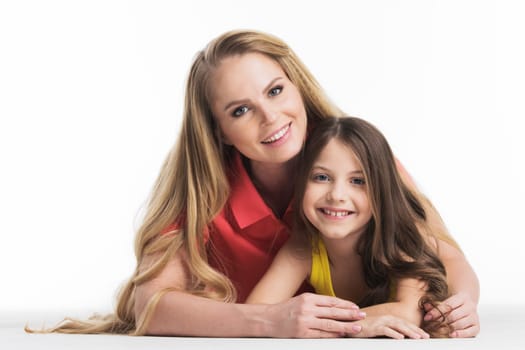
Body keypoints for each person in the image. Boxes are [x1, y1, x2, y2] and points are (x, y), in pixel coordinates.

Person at [27, 29, 479, 338]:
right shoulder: (206, 195)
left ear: (298, 87)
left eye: (276, 91)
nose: (270, 117)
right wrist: (268, 322)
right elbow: (146, 303)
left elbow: (441, 254)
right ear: (219, 130)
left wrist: (461, 307)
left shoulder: (359, 165)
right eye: (240, 110)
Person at [247, 116, 454, 338]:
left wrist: (340, 327)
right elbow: (255, 314)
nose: (337, 195)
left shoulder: (402, 238)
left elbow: (408, 312)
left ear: (381, 191)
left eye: (357, 181)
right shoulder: (303, 249)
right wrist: (358, 326)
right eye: (322, 177)